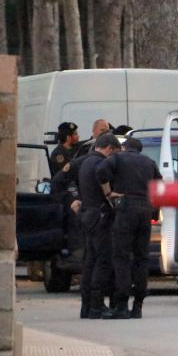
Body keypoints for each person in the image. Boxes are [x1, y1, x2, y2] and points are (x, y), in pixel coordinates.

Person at [52, 134, 121, 318]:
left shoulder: (85, 162)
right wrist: (72, 200)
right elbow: (58, 183)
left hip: (89, 216)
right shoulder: (93, 163)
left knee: (90, 261)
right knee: (101, 260)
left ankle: (87, 306)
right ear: (109, 149)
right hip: (98, 216)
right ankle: (96, 305)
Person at [96, 136, 162, 319]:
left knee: (122, 257)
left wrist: (108, 192)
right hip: (145, 211)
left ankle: (122, 305)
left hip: (125, 209)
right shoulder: (149, 163)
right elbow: (159, 185)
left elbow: (100, 171)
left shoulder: (118, 158)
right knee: (141, 258)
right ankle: (138, 306)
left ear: (125, 148)